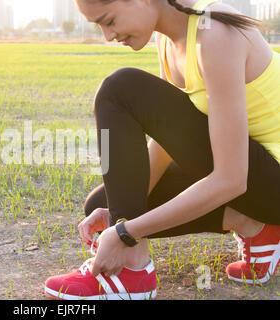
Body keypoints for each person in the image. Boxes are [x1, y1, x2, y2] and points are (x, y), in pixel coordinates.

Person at [45, 0, 280, 300]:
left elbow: (231, 179)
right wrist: (122, 214)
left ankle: (132, 271)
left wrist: (128, 233)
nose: (107, 36)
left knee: (120, 89)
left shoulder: (215, 33)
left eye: (110, 20)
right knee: (106, 204)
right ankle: (257, 226)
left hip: (267, 178)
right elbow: (169, 142)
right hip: (256, 175)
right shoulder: (168, 40)